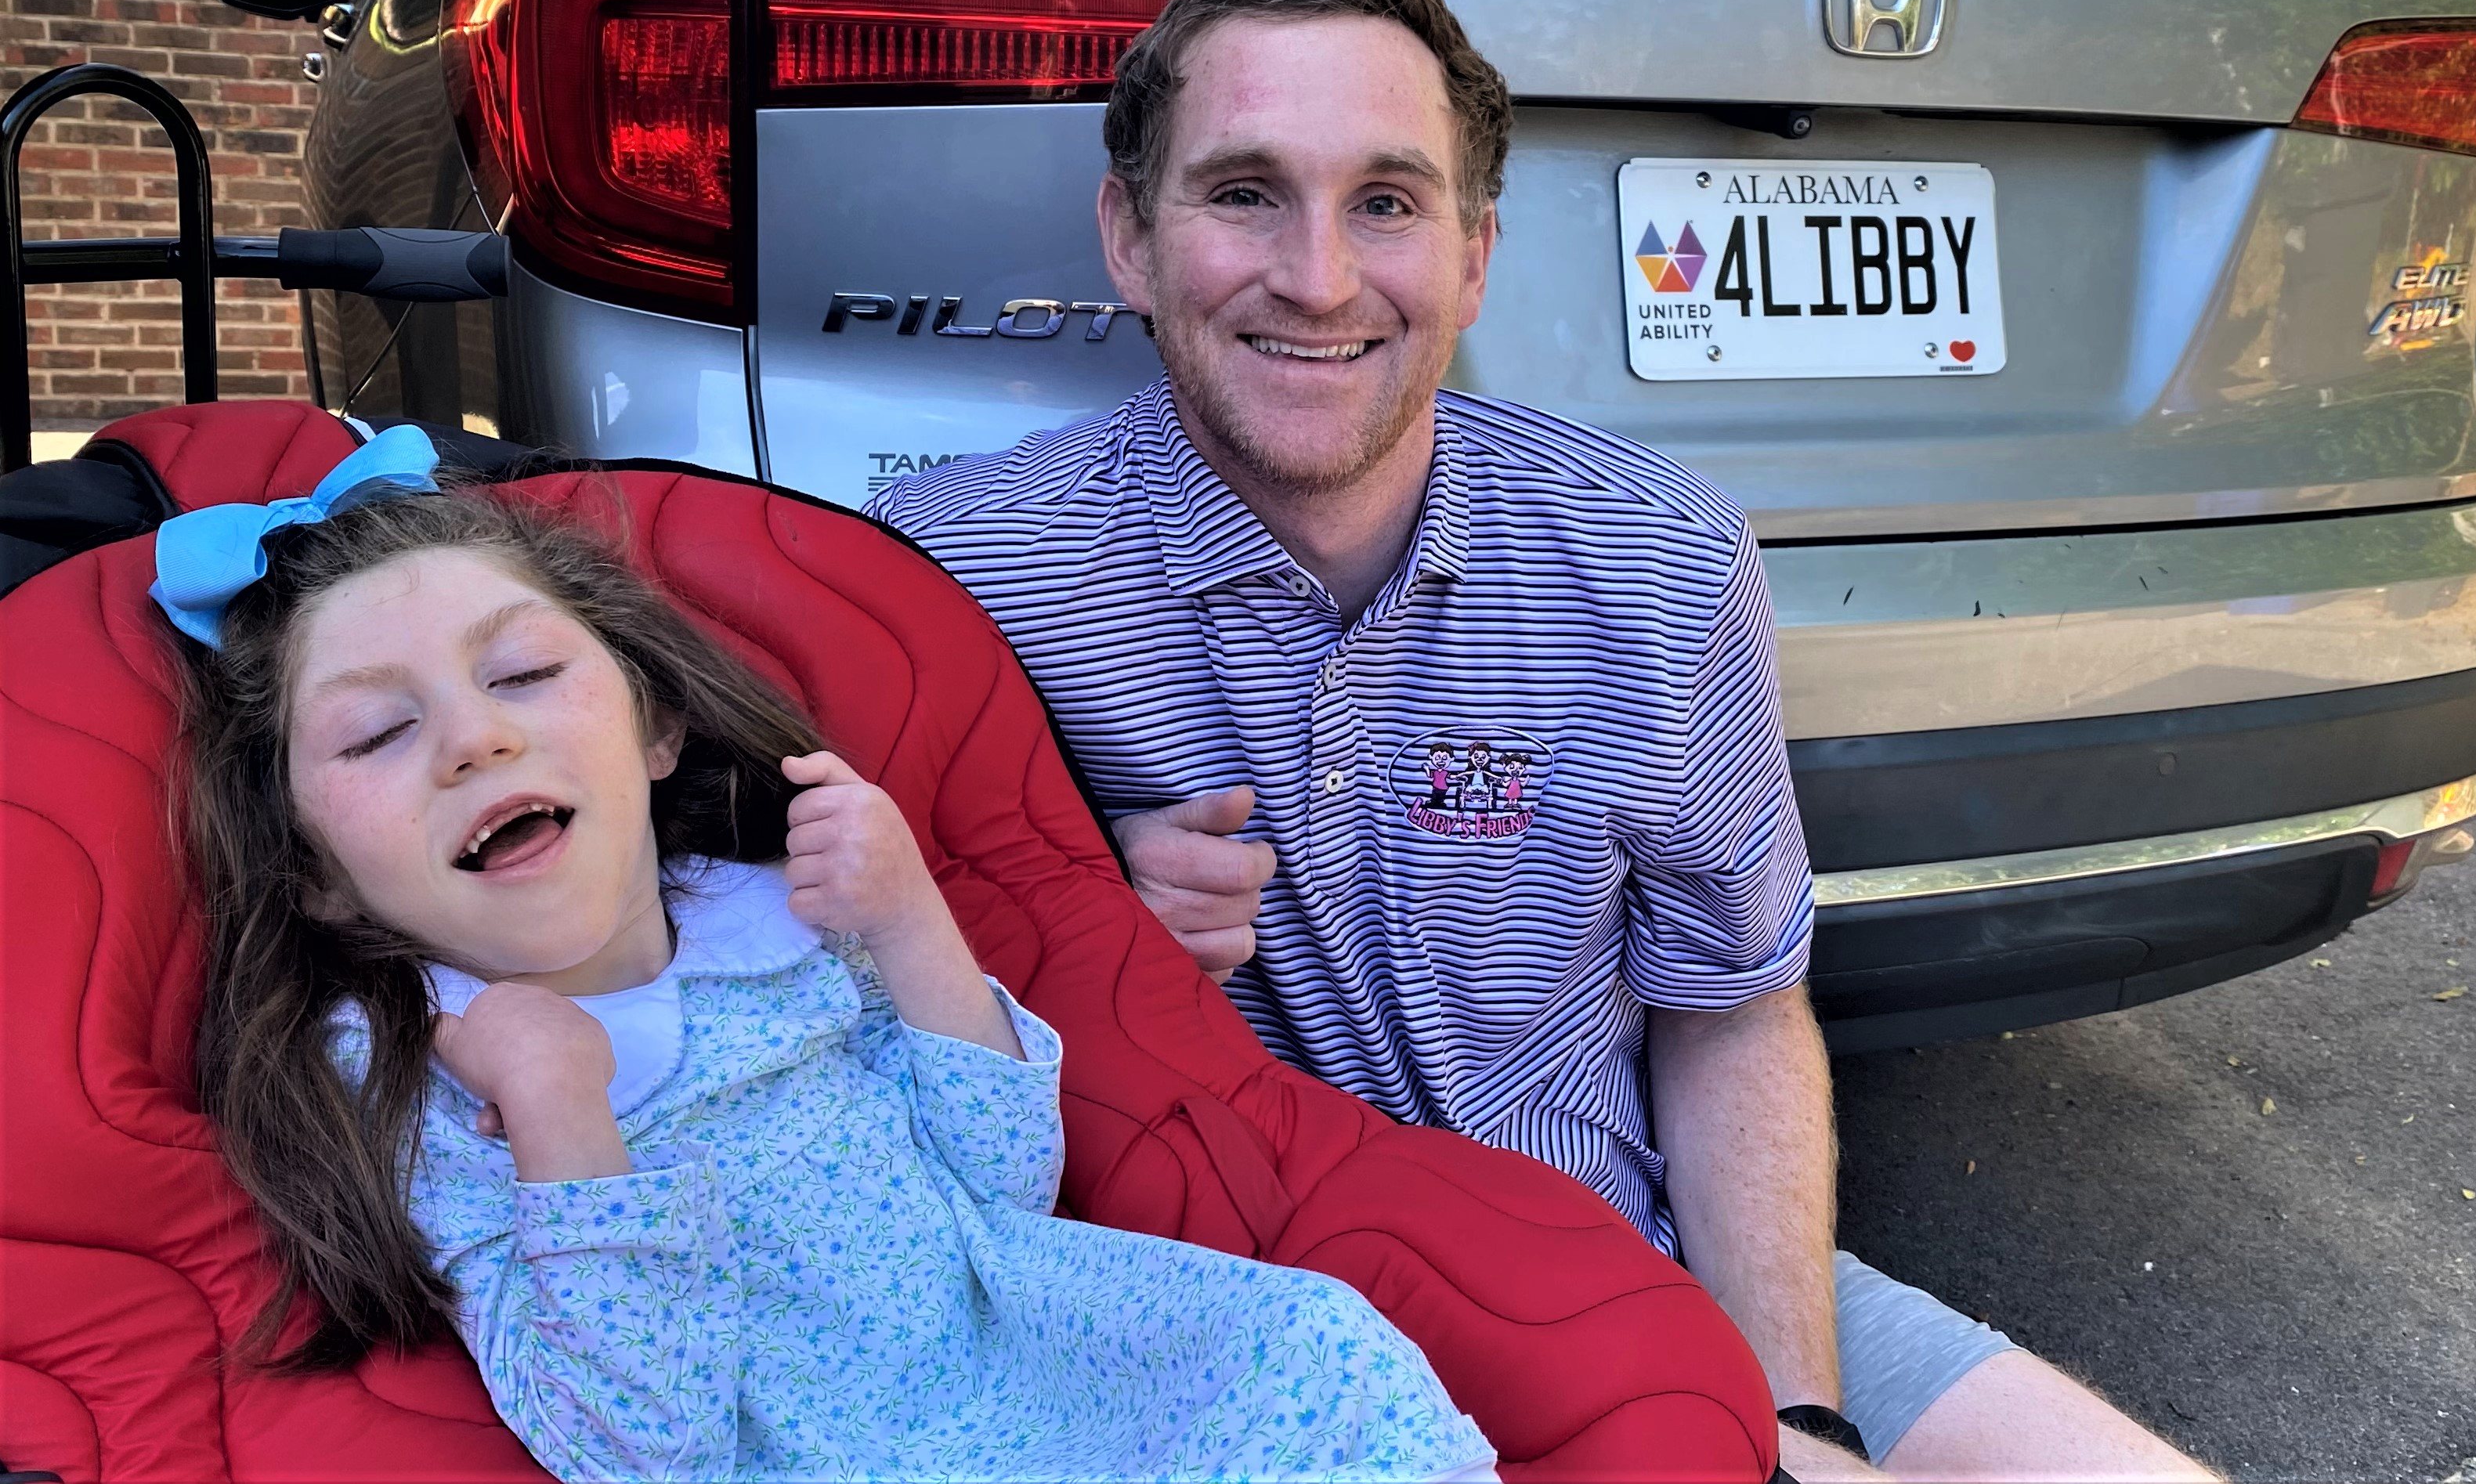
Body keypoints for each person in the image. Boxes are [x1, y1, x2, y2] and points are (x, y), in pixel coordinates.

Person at [882, 0, 2218, 1482]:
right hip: (1222, 1360)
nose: (1317, 273)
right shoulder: (953, 577)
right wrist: (1054, 910)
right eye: (1244, 190)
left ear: (1473, 257)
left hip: (1630, 1267)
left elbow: (1727, 1009)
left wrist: (1785, 1418)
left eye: (1385, 200)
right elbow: (788, 1013)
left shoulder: (1658, 562)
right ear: (1127, 232)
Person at [163, 431, 1496, 1484]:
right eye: (376, 736)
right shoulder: (413, 1068)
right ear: (319, 878)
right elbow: (642, 1449)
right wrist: (562, 1112)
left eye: (518, 676)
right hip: (802, 1456)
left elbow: (1002, 1182)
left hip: (1026, 1363)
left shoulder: (770, 914)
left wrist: (909, 917)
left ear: (657, 730)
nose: (472, 741)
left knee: (1313, 1349)